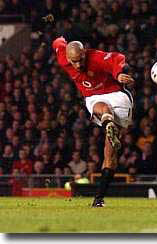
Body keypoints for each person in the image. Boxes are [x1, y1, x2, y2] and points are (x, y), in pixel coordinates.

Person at [52, 36, 134, 207]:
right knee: (99, 107)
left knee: (109, 154)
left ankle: (107, 121)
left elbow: (117, 58)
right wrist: (60, 39)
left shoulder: (96, 57)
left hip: (117, 94)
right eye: (74, 62)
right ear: (67, 58)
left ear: (84, 52)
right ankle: (98, 199)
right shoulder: (62, 55)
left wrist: (118, 74)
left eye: (81, 59)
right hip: (93, 97)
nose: (78, 65)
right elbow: (58, 43)